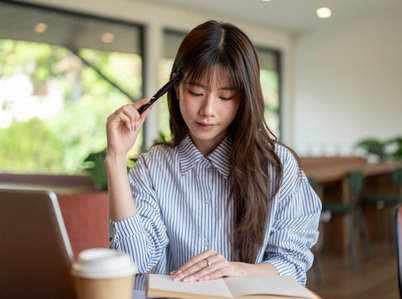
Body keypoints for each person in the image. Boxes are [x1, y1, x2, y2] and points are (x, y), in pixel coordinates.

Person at [105, 20, 321, 285]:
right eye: (196, 92)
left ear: (244, 99)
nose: (207, 109)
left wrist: (238, 270)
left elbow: (294, 264)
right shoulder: (153, 168)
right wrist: (116, 158)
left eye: (226, 97)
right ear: (176, 88)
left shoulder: (278, 166)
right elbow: (133, 261)